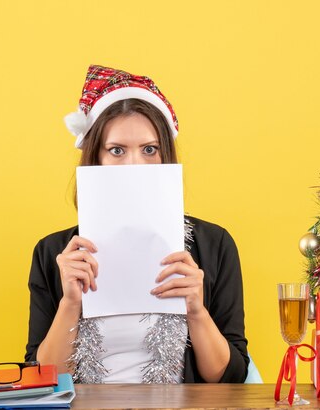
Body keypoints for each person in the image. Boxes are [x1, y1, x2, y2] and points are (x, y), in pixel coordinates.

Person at [25, 65, 249, 383]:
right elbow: (42, 378)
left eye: (149, 149)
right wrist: (70, 303)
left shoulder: (215, 244)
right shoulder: (54, 254)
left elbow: (229, 378)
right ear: (95, 159)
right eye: (117, 150)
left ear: (165, 157)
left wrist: (196, 310)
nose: (134, 164)